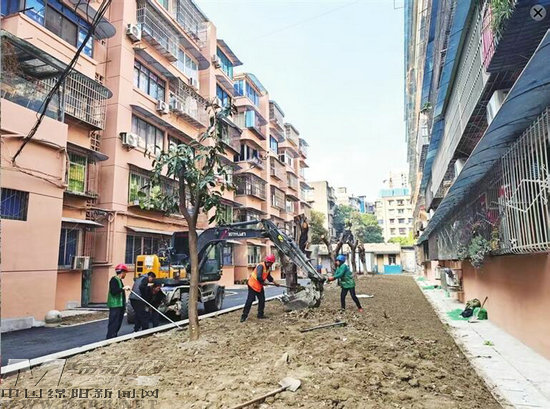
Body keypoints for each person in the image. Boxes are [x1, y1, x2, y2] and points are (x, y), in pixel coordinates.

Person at [240, 254, 279, 322]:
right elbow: (258, 276)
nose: (271, 264)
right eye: (270, 263)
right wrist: (263, 282)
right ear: (268, 261)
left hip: (259, 286)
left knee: (262, 299)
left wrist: (275, 283)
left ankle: (260, 315)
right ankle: (244, 316)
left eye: (272, 263)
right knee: (250, 300)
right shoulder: (261, 266)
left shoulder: (267, 268)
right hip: (252, 285)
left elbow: (268, 277)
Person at [106, 264, 131, 339]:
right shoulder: (114, 280)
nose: (125, 275)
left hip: (120, 305)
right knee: (113, 322)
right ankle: (110, 337)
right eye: (125, 273)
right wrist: (123, 288)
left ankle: (114, 335)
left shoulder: (119, 280)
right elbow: (114, 291)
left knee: (118, 322)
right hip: (115, 305)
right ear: (122, 272)